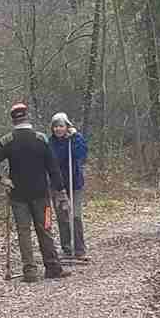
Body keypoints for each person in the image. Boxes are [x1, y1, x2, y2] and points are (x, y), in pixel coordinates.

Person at [0, 102, 71, 283]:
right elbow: (53, 167)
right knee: (46, 229)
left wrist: (2, 180)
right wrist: (61, 190)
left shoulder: (7, 140)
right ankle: (53, 268)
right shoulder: (41, 139)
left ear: (13, 120)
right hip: (42, 195)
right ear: (27, 117)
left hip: (18, 195)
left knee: (23, 232)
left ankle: (30, 272)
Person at [48, 112, 89, 261]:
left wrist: (76, 136)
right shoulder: (50, 143)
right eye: (55, 126)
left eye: (61, 126)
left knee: (75, 216)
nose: (58, 129)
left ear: (67, 126)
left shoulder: (74, 140)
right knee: (63, 217)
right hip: (58, 186)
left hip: (75, 184)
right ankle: (67, 248)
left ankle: (79, 249)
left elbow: (81, 154)